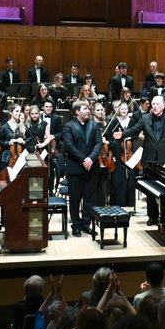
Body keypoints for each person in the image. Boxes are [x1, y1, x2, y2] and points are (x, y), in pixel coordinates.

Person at [118, 95, 165, 226]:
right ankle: (152, 217)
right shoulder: (145, 118)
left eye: (157, 104)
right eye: (153, 104)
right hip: (149, 159)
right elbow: (134, 130)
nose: (154, 106)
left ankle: (164, 217)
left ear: (164, 106)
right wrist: (122, 134)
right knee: (151, 190)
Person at [62, 99, 102, 236]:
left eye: (89, 109)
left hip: (92, 167)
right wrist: (84, 159)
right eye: (86, 108)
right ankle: (76, 225)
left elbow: (98, 144)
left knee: (90, 198)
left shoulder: (95, 125)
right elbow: (69, 145)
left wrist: (91, 158)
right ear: (77, 111)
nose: (89, 111)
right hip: (75, 168)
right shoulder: (69, 126)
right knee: (75, 198)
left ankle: (86, 224)